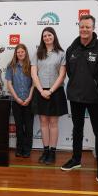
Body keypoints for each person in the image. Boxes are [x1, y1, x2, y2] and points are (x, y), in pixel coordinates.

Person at [60, 15, 98, 183]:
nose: (84, 29)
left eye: (88, 27)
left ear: (93, 28)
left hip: (95, 98)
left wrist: (96, 90)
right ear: (79, 27)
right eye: (82, 26)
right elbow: (70, 73)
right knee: (77, 129)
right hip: (75, 96)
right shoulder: (72, 48)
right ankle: (76, 159)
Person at [31, 27, 68, 165]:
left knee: (53, 123)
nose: (47, 37)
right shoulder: (38, 53)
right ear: (42, 38)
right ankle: (45, 150)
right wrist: (41, 90)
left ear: (54, 36)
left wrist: (50, 91)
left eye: (49, 35)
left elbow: (62, 75)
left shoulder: (61, 53)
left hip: (55, 92)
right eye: (44, 36)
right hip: (40, 91)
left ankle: (52, 152)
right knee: (43, 122)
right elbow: (34, 73)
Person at [5, 44, 34, 158]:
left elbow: (34, 84)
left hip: (29, 101)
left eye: (22, 52)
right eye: (18, 52)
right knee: (18, 125)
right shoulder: (11, 66)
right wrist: (16, 98)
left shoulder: (31, 66)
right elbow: (9, 84)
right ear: (15, 54)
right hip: (16, 101)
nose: (20, 54)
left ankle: (27, 149)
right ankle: (19, 148)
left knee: (29, 126)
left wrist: (29, 98)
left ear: (25, 53)